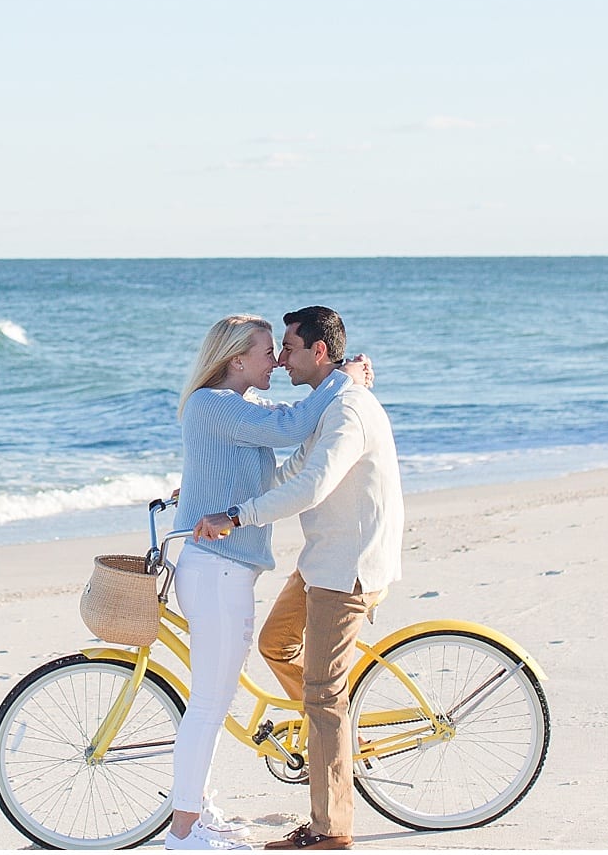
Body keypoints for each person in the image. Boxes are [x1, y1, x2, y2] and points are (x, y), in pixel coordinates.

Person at [193, 306, 403, 852]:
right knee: (275, 643)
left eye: (287, 348)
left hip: (347, 567)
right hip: (321, 559)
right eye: (275, 350)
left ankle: (331, 829)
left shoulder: (348, 409)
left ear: (318, 352)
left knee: (322, 695)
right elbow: (290, 470)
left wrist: (240, 517)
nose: (281, 360)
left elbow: (312, 486)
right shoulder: (332, 402)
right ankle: (336, 735)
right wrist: (230, 503)